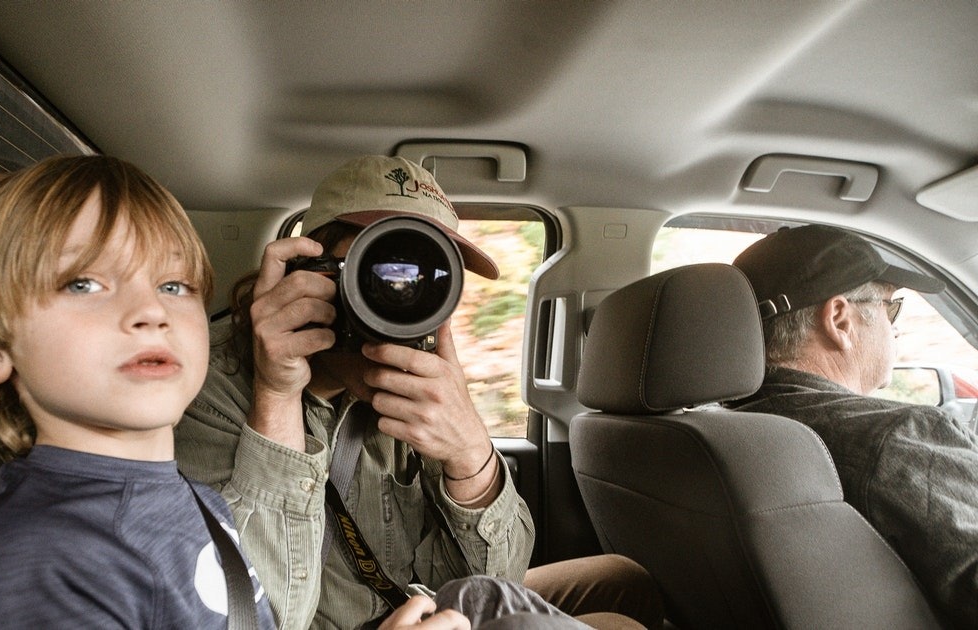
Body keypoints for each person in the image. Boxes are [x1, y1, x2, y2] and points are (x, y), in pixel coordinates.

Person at [174, 155, 664, 629]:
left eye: (425, 278)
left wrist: (470, 454)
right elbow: (247, 614)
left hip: (417, 604)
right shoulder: (206, 382)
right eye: (376, 270)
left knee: (623, 580)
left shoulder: (418, 376)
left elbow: (495, 582)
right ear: (312, 269)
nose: (397, 299)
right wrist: (277, 395)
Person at [0, 155, 277, 628]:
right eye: (84, 283)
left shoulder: (198, 500)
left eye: (174, 285)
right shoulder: (33, 565)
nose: (152, 311)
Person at [728, 224, 978, 628]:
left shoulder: (717, 428)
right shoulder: (900, 437)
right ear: (840, 320)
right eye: (890, 306)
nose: (895, 326)